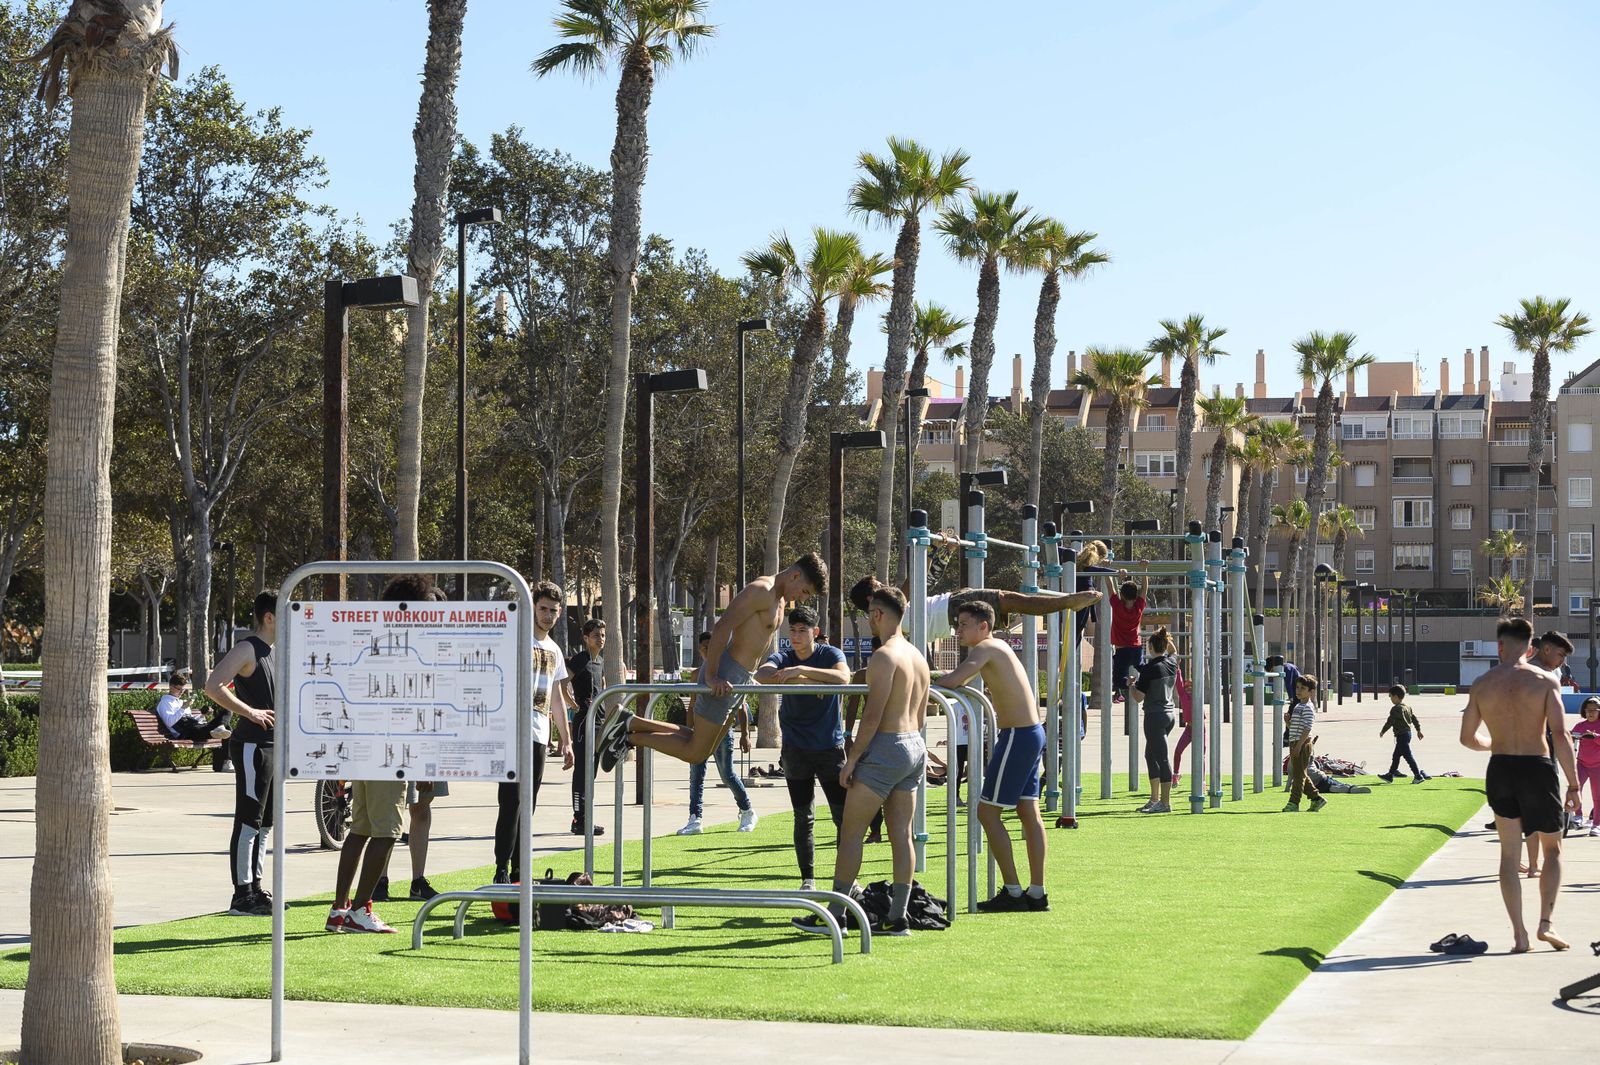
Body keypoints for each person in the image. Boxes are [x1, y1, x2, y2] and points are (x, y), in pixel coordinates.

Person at [597, 553, 826, 770]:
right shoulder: (762, 590)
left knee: (700, 744)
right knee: (695, 753)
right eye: (805, 591)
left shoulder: (779, 599)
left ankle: (630, 723)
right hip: (725, 673)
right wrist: (711, 675)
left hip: (740, 678)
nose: (803, 598)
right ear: (795, 575)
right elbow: (722, 626)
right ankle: (630, 737)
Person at [792, 587, 927, 937]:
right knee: (902, 834)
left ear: (878, 615)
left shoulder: (884, 657)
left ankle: (836, 915)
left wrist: (852, 760)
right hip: (914, 744)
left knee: (851, 833)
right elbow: (921, 716)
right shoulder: (917, 656)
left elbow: (873, 715)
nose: (870, 621)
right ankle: (897, 917)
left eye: (871, 615)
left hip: (887, 746)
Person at [1460, 616, 1582, 952]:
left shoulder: (1482, 684)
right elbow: (1560, 734)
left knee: (1509, 854)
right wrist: (1573, 786)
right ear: (1530, 648)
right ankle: (1546, 923)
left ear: (1499, 646)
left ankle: (1520, 935)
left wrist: (1494, 743)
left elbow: (1467, 738)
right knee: (1553, 849)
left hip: (1500, 768)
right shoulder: (1544, 681)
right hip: (1537, 768)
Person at [325, 574, 438, 933]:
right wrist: (421, 762)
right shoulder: (407, 650)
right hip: (390, 752)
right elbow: (409, 708)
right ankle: (360, 910)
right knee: (387, 832)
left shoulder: (375, 641)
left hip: (363, 747)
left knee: (359, 830)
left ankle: (340, 909)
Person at [933, 599, 1049, 912]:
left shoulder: (985, 647)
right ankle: (1037, 893)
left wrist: (923, 681)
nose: (958, 631)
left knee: (987, 813)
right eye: (957, 625)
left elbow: (953, 681)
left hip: (1018, 736)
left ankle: (1013, 892)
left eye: (963, 625)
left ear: (983, 626)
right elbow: (960, 677)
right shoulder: (996, 648)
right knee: (1028, 813)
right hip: (1030, 733)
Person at [756, 607, 852, 887]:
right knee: (803, 817)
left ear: (815, 632)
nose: (796, 636)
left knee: (843, 818)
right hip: (795, 749)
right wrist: (811, 681)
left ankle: (845, 880)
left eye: (802, 631)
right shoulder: (783, 657)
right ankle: (807, 880)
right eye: (792, 630)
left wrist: (800, 672)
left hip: (829, 748)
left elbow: (844, 678)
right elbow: (762, 674)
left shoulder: (829, 654)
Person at [493, 580, 573, 884]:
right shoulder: (515, 638)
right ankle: (501, 869)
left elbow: (557, 698)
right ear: (532, 607)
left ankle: (520, 870)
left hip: (539, 735)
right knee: (510, 803)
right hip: (512, 735)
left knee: (529, 805)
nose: (547, 615)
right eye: (543, 608)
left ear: (559, 612)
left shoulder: (555, 650)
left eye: (553, 610)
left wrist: (566, 740)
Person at [204, 592, 278, 917]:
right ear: (269, 617)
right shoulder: (247, 649)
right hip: (252, 746)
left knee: (265, 823)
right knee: (249, 820)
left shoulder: (274, 652)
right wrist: (250, 712)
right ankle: (241, 895)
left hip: (273, 747)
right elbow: (213, 685)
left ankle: (256, 888)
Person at [847, 573, 1101, 650]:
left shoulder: (888, 613)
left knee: (1011, 602)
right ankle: (1067, 602)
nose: (885, 585)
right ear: (871, 598)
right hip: (953, 609)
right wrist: (932, 550)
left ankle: (1066, 602)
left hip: (952, 609)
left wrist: (941, 553)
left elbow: (922, 580)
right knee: (1011, 600)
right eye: (879, 585)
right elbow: (913, 582)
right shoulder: (886, 612)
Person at [680, 630, 759, 835]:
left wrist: (745, 734)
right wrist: (689, 729)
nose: (708, 651)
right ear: (700, 649)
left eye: (712, 647)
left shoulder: (727, 672)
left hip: (722, 730)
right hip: (700, 730)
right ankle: (695, 818)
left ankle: (747, 810)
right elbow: (692, 705)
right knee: (696, 775)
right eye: (704, 647)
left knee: (727, 775)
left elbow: (740, 705)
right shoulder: (697, 674)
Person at [1128, 626, 1180, 813]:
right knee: (1151, 755)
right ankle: (1154, 799)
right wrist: (1164, 637)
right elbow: (1174, 651)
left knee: (1162, 759)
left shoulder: (1149, 669)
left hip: (1154, 717)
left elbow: (1138, 697)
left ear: (1150, 647)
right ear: (1165, 645)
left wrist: (1131, 685)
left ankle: (1165, 803)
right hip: (1169, 715)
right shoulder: (1171, 662)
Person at [565, 618, 607, 837]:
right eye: (596, 635)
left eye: (603, 635)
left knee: (592, 772)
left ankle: (586, 817)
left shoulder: (600, 661)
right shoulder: (580, 659)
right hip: (583, 722)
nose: (600, 639)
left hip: (598, 721)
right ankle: (579, 819)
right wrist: (573, 705)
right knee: (582, 771)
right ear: (586, 638)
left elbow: (602, 687)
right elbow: (561, 683)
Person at [154, 668, 232, 747]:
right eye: (179, 689)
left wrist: (203, 715)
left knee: (228, 710)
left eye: (183, 690)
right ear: (171, 687)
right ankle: (220, 730)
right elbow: (169, 722)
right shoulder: (164, 703)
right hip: (186, 733)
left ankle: (220, 728)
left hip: (197, 728)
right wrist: (183, 708)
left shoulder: (181, 702)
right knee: (226, 729)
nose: (181, 692)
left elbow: (193, 720)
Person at [1282, 674, 1326, 813]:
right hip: (1295, 742)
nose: (1299, 690)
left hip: (1302, 744)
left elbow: (1307, 729)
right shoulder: (1298, 706)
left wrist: (1299, 746)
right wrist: (1288, 722)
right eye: (1297, 687)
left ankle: (1293, 802)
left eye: (1303, 688)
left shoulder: (1307, 707)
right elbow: (1295, 728)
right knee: (1300, 774)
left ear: (1311, 691)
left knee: (1298, 776)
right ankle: (1316, 798)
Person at [1109, 563, 1149, 704]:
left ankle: (1129, 681)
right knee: (1142, 667)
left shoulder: (1117, 606)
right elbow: (1145, 589)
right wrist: (1144, 569)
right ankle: (1151, 676)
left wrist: (1107, 570)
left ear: (1122, 595)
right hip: (1136, 648)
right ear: (1136, 595)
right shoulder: (1139, 607)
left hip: (1122, 650)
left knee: (1118, 680)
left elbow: (1110, 587)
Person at [1378, 683, 1428, 783]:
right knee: (1396, 756)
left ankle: (1418, 776)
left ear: (1396, 697)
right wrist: (1418, 730)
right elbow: (1414, 719)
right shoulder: (1407, 707)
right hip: (1407, 734)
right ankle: (1390, 775)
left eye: (1391, 696)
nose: (1390, 699)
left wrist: (1383, 731)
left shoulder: (1396, 709)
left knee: (1408, 756)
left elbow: (1390, 722)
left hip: (1401, 735)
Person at [1570, 697, 1600, 834]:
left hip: (1597, 766)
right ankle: (1578, 816)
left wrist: (1595, 737)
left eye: (1595, 710)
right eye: (1588, 710)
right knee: (1576, 789)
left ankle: (1596, 824)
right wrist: (1570, 736)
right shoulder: (1580, 725)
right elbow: (1571, 737)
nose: (1591, 713)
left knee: (1597, 795)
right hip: (1582, 764)